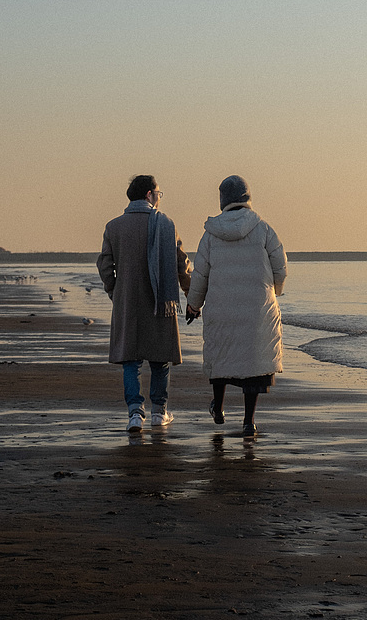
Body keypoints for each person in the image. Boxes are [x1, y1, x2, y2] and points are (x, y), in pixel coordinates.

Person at [185, 175, 286, 435]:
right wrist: (274, 291)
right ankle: (248, 421)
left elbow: (200, 274)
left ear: (223, 201)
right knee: (252, 366)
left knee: (222, 358)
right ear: (247, 197)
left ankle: (218, 407)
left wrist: (194, 305)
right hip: (256, 310)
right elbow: (281, 267)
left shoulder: (210, 235)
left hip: (221, 308)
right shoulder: (263, 229)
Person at [97, 175, 191, 432]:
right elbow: (180, 263)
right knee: (160, 358)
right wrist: (190, 293)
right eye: (159, 193)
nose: (160, 198)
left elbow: (104, 264)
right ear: (149, 194)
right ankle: (159, 413)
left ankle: (135, 414)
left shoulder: (114, 226)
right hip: (161, 300)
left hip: (127, 301)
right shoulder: (166, 225)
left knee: (131, 360)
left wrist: (114, 291)